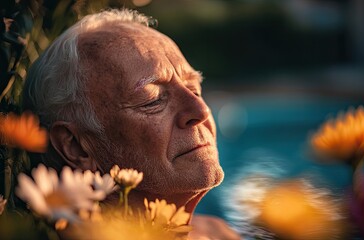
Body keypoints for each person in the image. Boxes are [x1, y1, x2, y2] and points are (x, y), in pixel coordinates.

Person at [22, 9, 240, 239]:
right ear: (76, 146)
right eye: (153, 98)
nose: (202, 110)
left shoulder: (218, 232)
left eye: (194, 89)